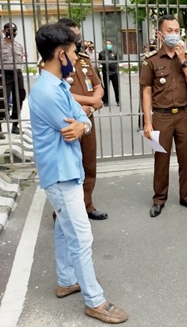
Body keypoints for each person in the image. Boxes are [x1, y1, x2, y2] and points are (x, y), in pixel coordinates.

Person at [29, 23, 128, 324]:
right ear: (61, 55)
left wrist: (83, 124)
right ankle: (95, 301)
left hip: (67, 169)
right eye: (73, 52)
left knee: (64, 230)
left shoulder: (59, 85)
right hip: (60, 174)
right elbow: (74, 123)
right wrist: (82, 123)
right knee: (81, 236)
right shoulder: (47, 92)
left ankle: (66, 280)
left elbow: (82, 120)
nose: (76, 56)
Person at [140, 15, 187, 218]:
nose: (174, 34)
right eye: (169, 31)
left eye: (177, 31)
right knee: (161, 159)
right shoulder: (151, 60)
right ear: (160, 34)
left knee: (186, 159)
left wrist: (183, 61)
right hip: (161, 117)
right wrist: (147, 122)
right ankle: (159, 199)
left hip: (183, 115)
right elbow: (146, 92)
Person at [57, 18, 107, 221]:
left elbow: (98, 85)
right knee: (68, 169)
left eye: (78, 35)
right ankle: (62, 213)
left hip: (87, 121)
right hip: (68, 123)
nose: (78, 39)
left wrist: (93, 102)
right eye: (74, 35)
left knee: (89, 165)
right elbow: (60, 92)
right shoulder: (55, 62)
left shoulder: (84, 60)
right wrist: (90, 102)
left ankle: (86, 205)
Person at [0, 22, 26, 138]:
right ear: (3, 31)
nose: (11, 32)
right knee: (2, 99)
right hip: (4, 74)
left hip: (17, 73)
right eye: (8, 30)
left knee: (19, 97)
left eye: (14, 30)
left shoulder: (19, 46)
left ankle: (15, 125)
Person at [99, 40, 119, 106]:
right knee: (106, 88)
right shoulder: (101, 53)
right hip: (106, 73)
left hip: (114, 73)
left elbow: (117, 61)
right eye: (107, 44)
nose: (108, 45)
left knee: (116, 87)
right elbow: (100, 61)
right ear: (105, 45)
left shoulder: (114, 53)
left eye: (109, 44)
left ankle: (118, 100)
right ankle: (106, 101)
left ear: (111, 45)